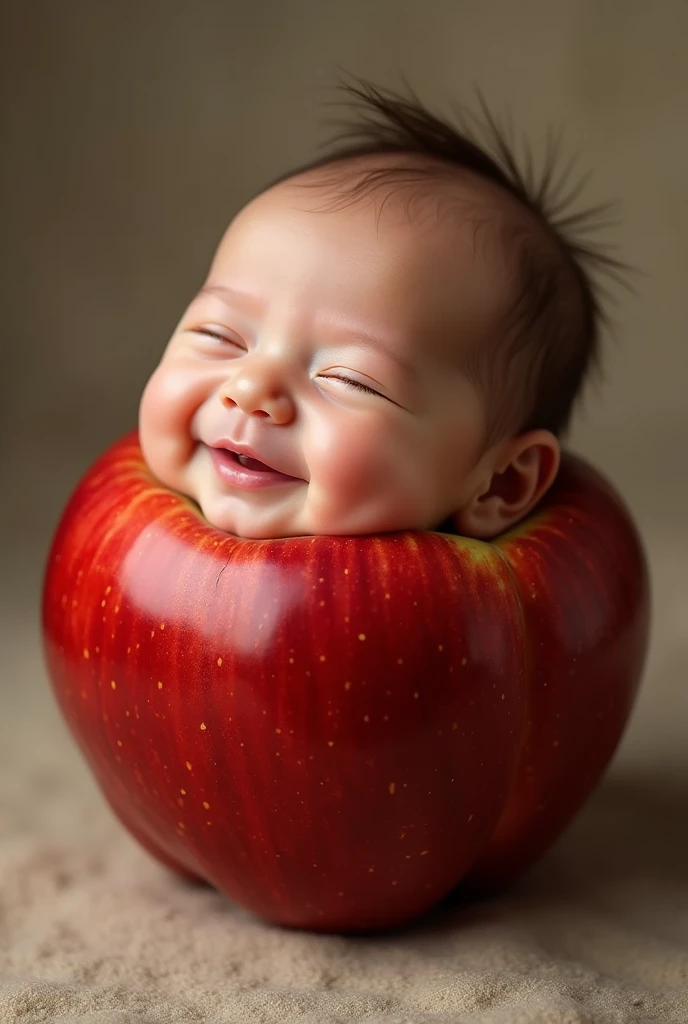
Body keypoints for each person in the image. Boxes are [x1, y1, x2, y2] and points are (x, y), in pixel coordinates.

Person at [139, 78, 623, 541]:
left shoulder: (485, 624)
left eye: (349, 379)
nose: (249, 389)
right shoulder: (134, 544)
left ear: (499, 484)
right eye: (218, 336)